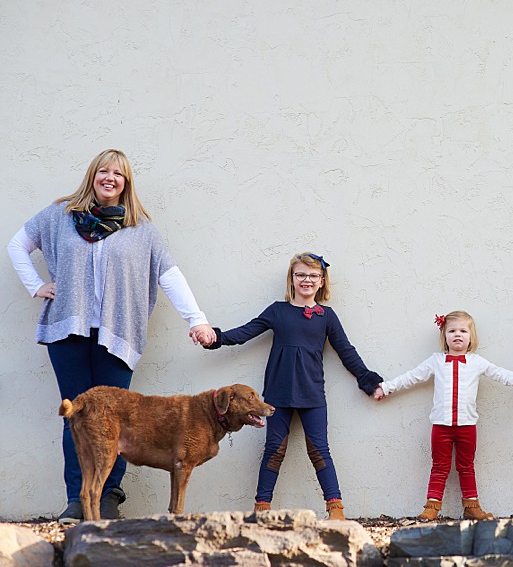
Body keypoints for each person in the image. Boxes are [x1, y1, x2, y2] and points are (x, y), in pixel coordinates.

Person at [7, 149, 216, 524]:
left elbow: (169, 274)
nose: (110, 178)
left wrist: (196, 319)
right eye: (103, 171)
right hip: (67, 330)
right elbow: (16, 245)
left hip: (118, 334)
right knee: (77, 416)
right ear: (92, 176)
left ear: (126, 182)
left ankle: (108, 499)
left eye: (118, 174)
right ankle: (77, 499)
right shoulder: (60, 216)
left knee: (120, 419)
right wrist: (36, 285)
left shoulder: (141, 229)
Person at [203, 252, 382, 520]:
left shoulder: (327, 316)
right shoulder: (278, 311)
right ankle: (262, 509)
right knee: (274, 451)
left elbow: (346, 351)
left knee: (320, 451)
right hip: (278, 394)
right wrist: (215, 338)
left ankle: (336, 510)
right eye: (301, 275)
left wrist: (368, 381)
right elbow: (245, 332)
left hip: (312, 394)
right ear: (292, 279)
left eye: (313, 276)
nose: (306, 280)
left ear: (322, 281)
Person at [375, 310, 513, 521]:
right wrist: (387, 387)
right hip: (441, 426)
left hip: (467, 426)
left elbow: (500, 373)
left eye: (463, 331)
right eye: (452, 331)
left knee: (466, 466)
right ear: (444, 336)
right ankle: (432, 506)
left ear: (471, 336)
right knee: (439, 466)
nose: (458, 335)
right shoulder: (436, 361)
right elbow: (411, 376)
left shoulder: (477, 362)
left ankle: (472, 506)